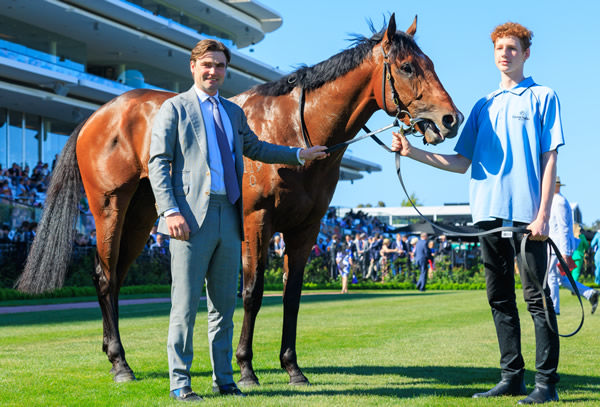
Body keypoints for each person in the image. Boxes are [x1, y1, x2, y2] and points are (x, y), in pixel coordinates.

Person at [148, 39, 328, 402]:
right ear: (193, 67)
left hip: (229, 217)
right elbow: (157, 163)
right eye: (207, 65)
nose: (213, 71)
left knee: (224, 309)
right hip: (189, 219)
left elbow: (256, 148)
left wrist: (298, 154)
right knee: (184, 307)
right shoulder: (175, 109)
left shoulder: (231, 113)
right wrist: (169, 211)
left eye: (219, 66)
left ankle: (224, 379)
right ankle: (181, 383)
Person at [393, 22, 562, 404]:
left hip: (526, 217)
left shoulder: (543, 96)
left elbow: (550, 157)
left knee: (536, 299)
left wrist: (543, 214)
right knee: (499, 298)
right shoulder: (483, 105)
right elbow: (460, 162)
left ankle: (546, 385)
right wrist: (412, 152)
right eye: (500, 48)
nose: (505, 53)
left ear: (525, 54)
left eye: (513, 48)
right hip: (486, 214)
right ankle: (511, 378)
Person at [548, 176, 599, 315]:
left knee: (552, 276)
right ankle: (589, 293)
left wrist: (565, 252)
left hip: (557, 246)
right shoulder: (556, 201)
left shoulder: (558, 202)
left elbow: (564, 228)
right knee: (561, 279)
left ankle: (554, 308)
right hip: (557, 245)